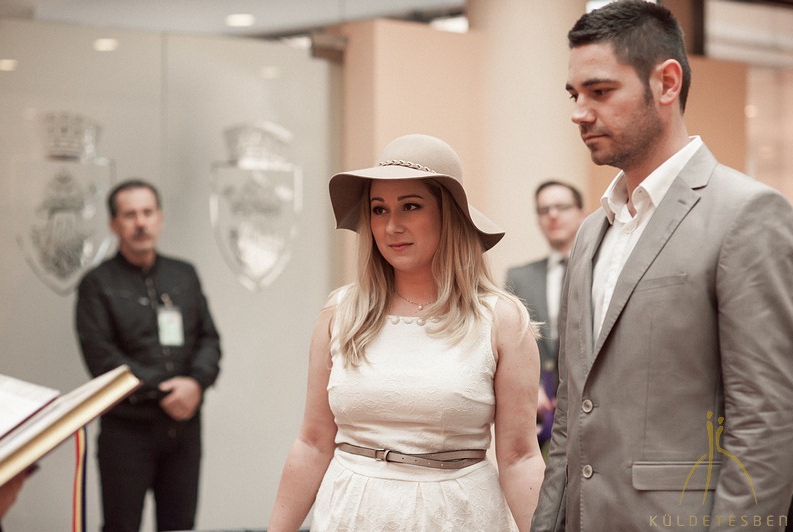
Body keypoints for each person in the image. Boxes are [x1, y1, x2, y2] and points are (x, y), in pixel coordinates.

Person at [533, 1, 793, 530]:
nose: (580, 112)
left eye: (600, 91)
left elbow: (768, 420)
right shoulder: (590, 233)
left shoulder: (746, 214)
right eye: (574, 95)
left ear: (667, 83)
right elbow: (570, 418)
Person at [268, 134, 545, 531]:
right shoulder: (341, 314)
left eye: (410, 206)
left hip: (457, 516)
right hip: (350, 514)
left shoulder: (500, 320)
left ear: (449, 214)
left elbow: (519, 458)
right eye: (378, 209)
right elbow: (312, 443)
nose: (391, 226)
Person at [75, 179, 221, 532]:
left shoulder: (183, 274)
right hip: (127, 431)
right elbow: (102, 359)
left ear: (160, 218)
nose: (140, 223)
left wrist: (195, 383)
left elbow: (209, 339)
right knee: (121, 526)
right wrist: (166, 389)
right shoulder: (97, 283)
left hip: (184, 430)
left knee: (180, 526)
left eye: (147, 212)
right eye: (130, 215)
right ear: (114, 224)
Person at [505, 180, 584, 451]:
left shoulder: (602, 271)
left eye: (562, 207)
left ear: (581, 213)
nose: (553, 215)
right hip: (540, 419)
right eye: (544, 210)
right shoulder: (519, 278)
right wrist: (530, 388)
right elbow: (509, 345)